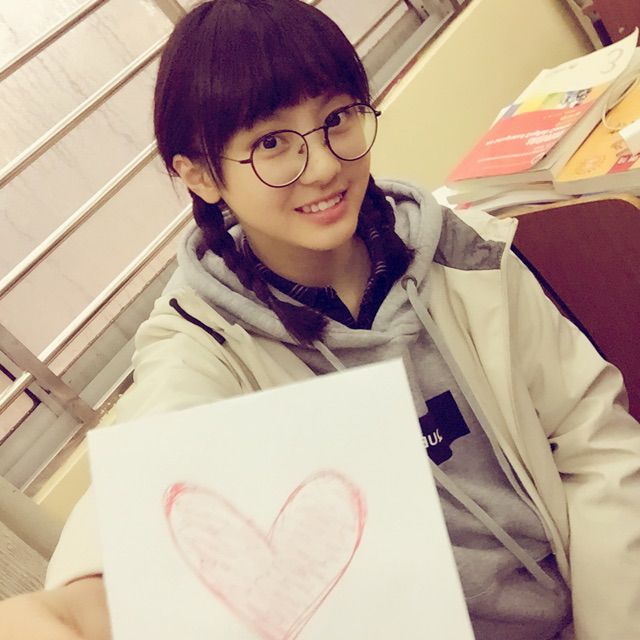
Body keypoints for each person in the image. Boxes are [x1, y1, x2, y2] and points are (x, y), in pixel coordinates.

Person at [1, 1, 639, 638]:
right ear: (199, 175)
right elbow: (163, 450)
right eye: (271, 143)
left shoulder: (462, 251)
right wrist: (84, 600)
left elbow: (595, 444)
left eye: (336, 119)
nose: (326, 166)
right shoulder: (205, 341)